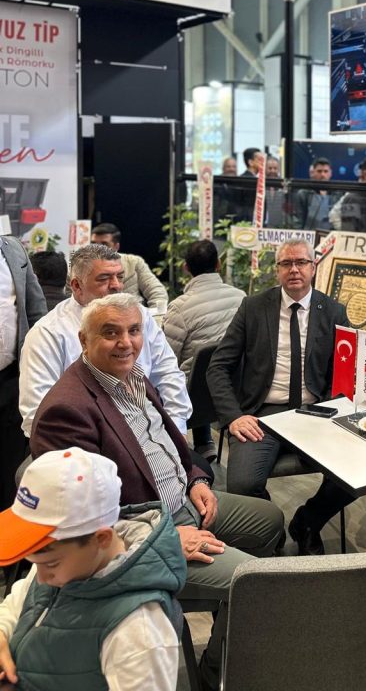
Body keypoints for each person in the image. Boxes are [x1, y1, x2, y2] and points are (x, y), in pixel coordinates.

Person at [30, 294, 284, 691]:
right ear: (84, 340)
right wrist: (164, 539)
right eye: (110, 333)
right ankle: (215, 674)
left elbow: (172, 446)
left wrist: (197, 479)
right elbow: (80, 522)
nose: (126, 342)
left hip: (184, 500)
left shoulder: (133, 376)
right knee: (261, 587)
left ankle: (231, 630)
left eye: (134, 330)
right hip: (147, 533)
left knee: (269, 521)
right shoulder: (67, 410)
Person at [206, 240, 351, 555]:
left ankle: (308, 522)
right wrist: (234, 417)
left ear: (314, 267)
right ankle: (271, 529)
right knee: (243, 484)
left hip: (315, 413)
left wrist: (332, 407)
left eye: (301, 262)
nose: (294, 269)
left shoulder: (334, 311)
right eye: (286, 263)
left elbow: (345, 372)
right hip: (264, 414)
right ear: (277, 270)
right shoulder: (253, 308)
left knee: (357, 469)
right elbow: (217, 367)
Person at [0, 447, 184, 691]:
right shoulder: (60, 564)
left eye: (51, 564)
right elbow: (18, 604)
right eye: (33, 562)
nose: (40, 577)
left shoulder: (137, 630)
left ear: (101, 539)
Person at [19, 243, 191, 438]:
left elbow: (168, 373)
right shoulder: (48, 333)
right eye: (104, 279)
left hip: (149, 431)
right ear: (76, 286)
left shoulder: (140, 315)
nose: (116, 285)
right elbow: (37, 413)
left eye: (119, 277)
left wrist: (176, 428)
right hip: (84, 440)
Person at [162, 239, 246, 460]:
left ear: (186, 268)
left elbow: (167, 360)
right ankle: (204, 442)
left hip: (193, 399)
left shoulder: (180, 308)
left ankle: (183, 449)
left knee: (179, 373)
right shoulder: (241, 297)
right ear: (218, 264)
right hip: (236, 388)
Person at [0, 234, 47, 509]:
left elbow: (36, 309)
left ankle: (7, 524)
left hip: (12, 377)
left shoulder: (13, 249)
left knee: (10, 460)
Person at [91, 223, 168, 314]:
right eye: (93, 244)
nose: (97, 249)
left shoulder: (133, 262)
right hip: (97, 316)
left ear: (116, 247)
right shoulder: (83, 266)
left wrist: (154, 317)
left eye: (104, 245)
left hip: (133, 315)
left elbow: (157, 292)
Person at [292, 157, 340, 231]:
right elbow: (298, 221)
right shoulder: (303, 194)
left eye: (326, 171)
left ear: (330, 173)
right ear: (313, 173)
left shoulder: (337, 194)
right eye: (319, 171)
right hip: (309, 235)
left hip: (331, 235)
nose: (323, 174)